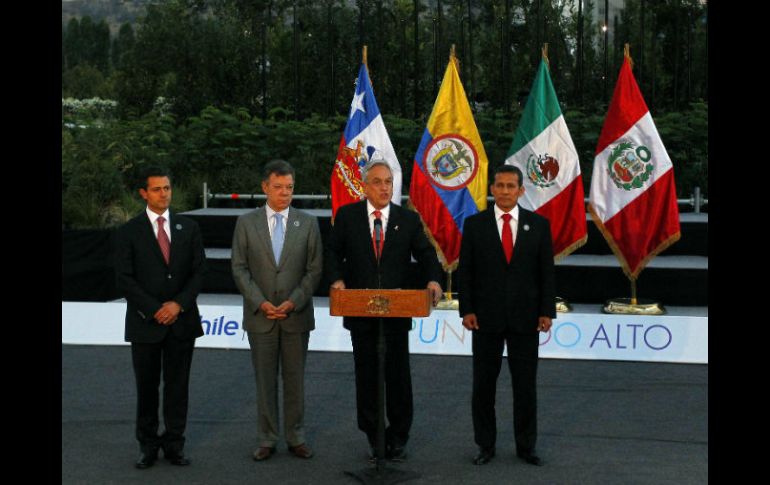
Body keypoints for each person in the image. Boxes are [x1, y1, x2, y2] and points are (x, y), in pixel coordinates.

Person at [325, 159, 443, 462]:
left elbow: (427, 254)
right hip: (360, 312)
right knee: (366, 377)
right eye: (377, 181)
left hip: (396, 314)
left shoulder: (408, 219)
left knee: (398, 378)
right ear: (365, 186)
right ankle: (373, 435)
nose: (384, 187)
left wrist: (433, 279)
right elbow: (332, 253)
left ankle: (399, 435)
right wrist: (336, 279)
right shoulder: (348, 217)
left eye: (388, 182)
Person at [457, 164, 556, 467]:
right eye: (499, 185)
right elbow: (466, 272)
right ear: (492, 190)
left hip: (526, 320)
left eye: (510, 186)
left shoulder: (538, 225)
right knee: (483, 386)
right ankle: (485, 445)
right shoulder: (475, 225)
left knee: (525, 387)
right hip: (484, 319)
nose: (504, 191)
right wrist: (467, 309)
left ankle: (526, 447)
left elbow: (546, 273)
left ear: (521, 190)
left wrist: (546, 311)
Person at [115, 166, 207, 469]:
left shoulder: (188, 227)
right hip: (146, 324)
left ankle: (174, 444)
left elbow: (199, 272)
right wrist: (155, 308)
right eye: (156, 189)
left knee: (178, 387)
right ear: (143, 193)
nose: (163, 194)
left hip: (182, 321)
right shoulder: (129, 231)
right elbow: (124, 278)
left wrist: (177, 305)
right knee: (147, 387)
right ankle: (147, 445)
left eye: (167, 188)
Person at [231, 160, 323, 462]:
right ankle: (267, 438)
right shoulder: (246, 223)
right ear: (265, 187)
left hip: (296, 315)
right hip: (261, 317)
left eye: (290, 187)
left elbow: (314, 270)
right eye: (279, 187)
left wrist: (294, 300)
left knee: (295, 381)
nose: (285, 193)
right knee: (264, 380)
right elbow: (239, 268)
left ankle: (296, 437)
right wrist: (261, 302)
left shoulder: (308, 223)